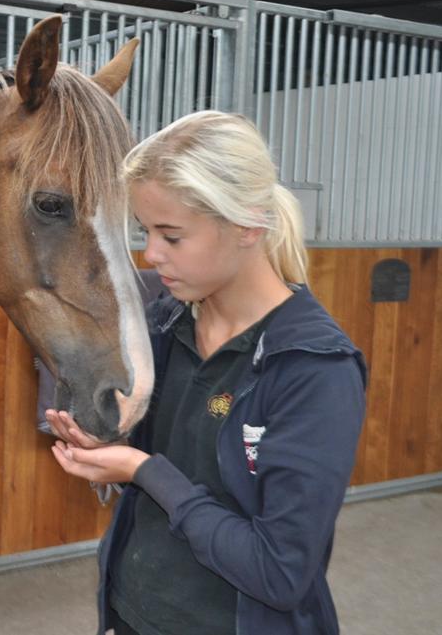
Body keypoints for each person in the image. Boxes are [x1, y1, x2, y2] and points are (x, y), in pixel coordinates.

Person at [46, 110, 367, 635]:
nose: (150, 255)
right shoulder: (166, 322)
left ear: (245, 226)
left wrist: (143, 470)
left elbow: (280, 572)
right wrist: (108, 445)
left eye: (171, 236)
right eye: (146, 231)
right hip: (133, 612)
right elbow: (163, 461)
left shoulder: (313, 370)